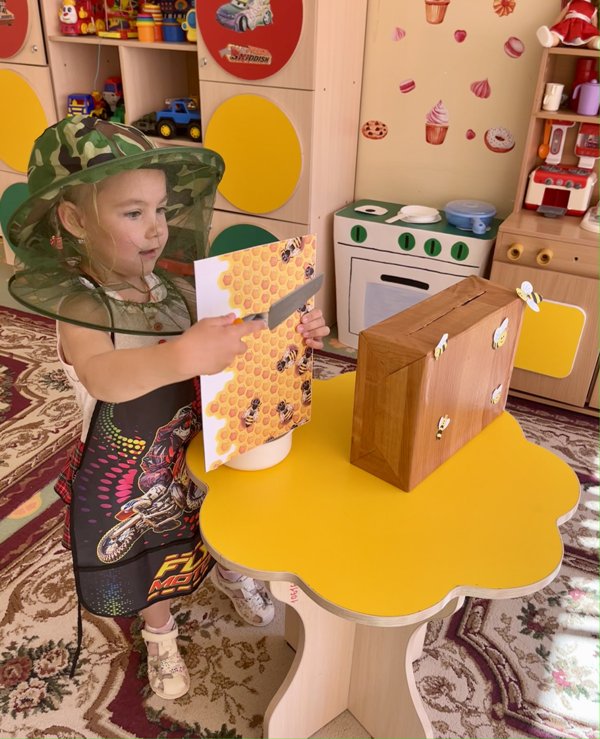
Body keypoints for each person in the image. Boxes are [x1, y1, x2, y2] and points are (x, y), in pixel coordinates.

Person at [6, 116, 330, 700]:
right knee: (146, 551)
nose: (157, 229)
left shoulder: (168, 286)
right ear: (75, 220)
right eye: (134, 213)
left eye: (160, 209)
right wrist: (181, 354)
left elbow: (234, 335)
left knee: (214, 515)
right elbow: (103, 375)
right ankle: (159, 633)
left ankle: (228, 571)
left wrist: (289, 331)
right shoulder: (81, 306)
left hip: (191, 440)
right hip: (129, 466)